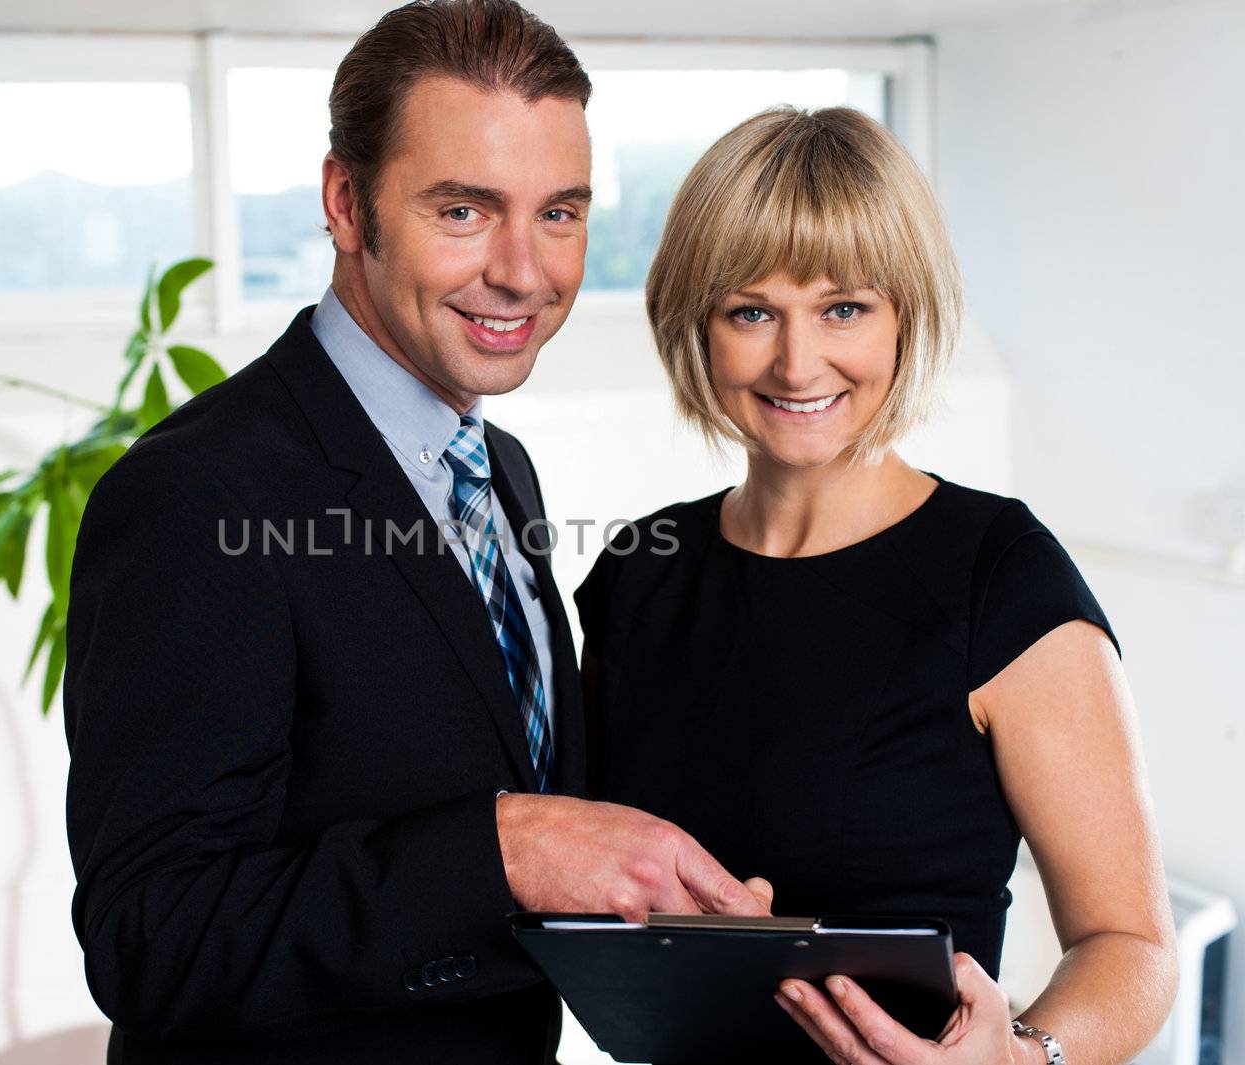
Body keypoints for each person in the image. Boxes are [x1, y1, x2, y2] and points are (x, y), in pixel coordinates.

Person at [62, 3, 767, 1063]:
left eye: (561, 213)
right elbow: (152, 939)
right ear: (347, 204)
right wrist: (503, 851)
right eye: (465, 212)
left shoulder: (499, 472)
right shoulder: (196, 493)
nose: (526, 272)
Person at [575, 105, 1178, 1065]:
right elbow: (585, 877)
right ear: (697, 322)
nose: (796, 361)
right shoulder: (638, 570)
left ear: (906, 315)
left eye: (843, 308)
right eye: (751, 311)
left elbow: (1133, 947)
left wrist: (1025, 1056)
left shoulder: (1002, 574)